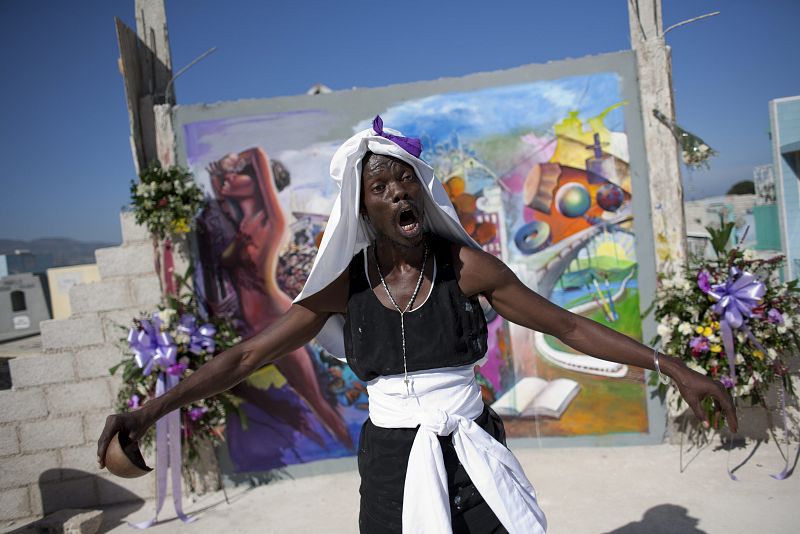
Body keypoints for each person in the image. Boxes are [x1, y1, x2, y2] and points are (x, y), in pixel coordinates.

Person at [98, 117, 737, 534]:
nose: (399, 192)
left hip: (473, 448)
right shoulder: (343, 288)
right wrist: (149, 412)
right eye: (382, 185)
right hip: (391, 462)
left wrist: (672, 366)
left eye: (407, 180)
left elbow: (567, 327)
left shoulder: (468, 269)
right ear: (365, 207)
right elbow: (242, 358)